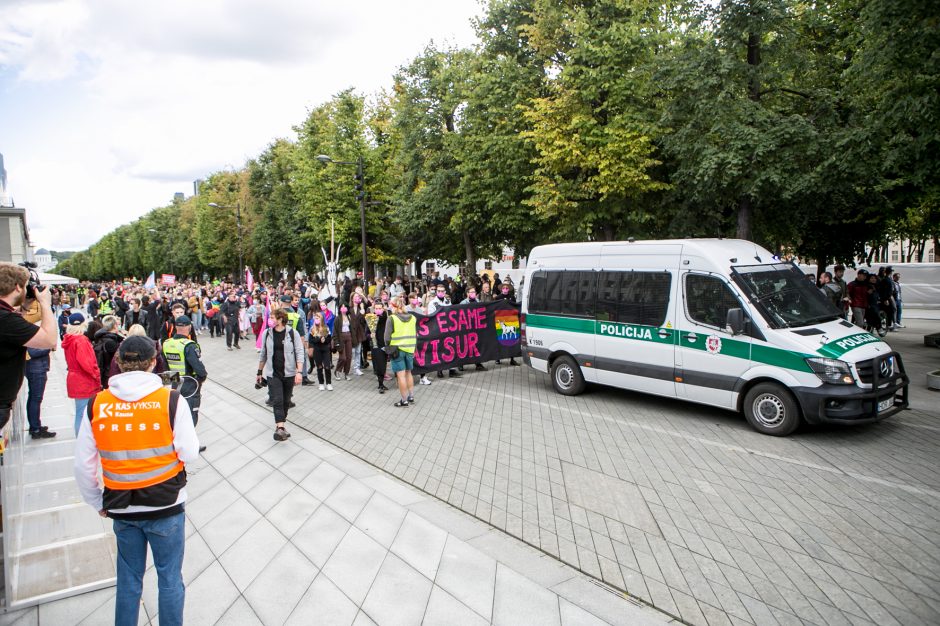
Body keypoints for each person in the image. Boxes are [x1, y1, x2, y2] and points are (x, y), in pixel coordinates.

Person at [74, 335, 199, 626]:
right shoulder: (170, 400)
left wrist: (97, 501)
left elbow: (83, 464)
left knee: (129, 579)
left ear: (118, 363)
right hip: (165, 503)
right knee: (169, 578)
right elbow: (189, 453)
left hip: (121, 504)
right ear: (154, 362)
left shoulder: (98, 404)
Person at [0, 263, 59, 429]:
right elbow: (49, 340)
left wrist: (24, 307)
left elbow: (17, 326)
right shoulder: (4, 319)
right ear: (18, 287)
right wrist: (45, 304)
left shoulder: (6, 317)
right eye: (26, 286)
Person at [257, 308, 305, 441]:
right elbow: (263, 354)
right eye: (270, 318)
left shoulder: (292, 333)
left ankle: (281, 425)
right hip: (273, 374)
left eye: (272, 318)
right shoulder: (267, 333)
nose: (270, 320)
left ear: (280, 319)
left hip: (289, 374)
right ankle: (280, 428)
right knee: (277, 400)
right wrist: (259, 372)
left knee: (286, 401)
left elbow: (300, 353)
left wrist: (299, 372)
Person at [162, 316, 207, 451]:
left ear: (176, 327)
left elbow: (165, 367)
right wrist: (201, 379)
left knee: (175, 413)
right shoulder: (189, 345)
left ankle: (175, 442)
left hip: (173, 382)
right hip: (189, 384)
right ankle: (189, 445)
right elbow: (200, 370)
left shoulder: (167, 343)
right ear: (189, 327)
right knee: (190, 415)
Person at [62, 312, 102, 435]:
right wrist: (96, 375)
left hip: (74, 378)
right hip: (84, 380)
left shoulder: (69, 339)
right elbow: (87, 363)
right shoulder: (81, 340)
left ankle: (80, 437)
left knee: (80, 412)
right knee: (84, 413)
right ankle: (82, 439)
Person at [385, 297, 417, 407]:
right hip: (410, 349)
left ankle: (404, 400)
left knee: (401, 376)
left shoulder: (392, 318)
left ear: (393, 306)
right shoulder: (412, 317)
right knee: (409, 373)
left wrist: (387, 348)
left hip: (397, 350)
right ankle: (411, 396)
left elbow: (387, 338)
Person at [427, 285, 461, 379]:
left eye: (442, 291)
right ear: (436, 292)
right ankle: (440, 370)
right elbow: (431, 316)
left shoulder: (447, 301)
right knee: (440, 349)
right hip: (438, 329)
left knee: (450, 348)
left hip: (448, 328)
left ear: (445, 292)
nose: (441, 293)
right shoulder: (432, 303)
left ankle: (451, 370)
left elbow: (450, 313)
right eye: (439, 291)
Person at [94, 315, 125, 388]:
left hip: (106, 374)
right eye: (118, 324)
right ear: (115, 326)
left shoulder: (103, 337)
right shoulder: (111, 342)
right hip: (111, 375)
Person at [494, 282, 520, 366]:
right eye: (504, 288)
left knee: (512, 339)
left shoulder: (512, 297)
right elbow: (495, 308)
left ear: (509, 289)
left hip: (511, 320)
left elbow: (515, 306)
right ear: (501, 289)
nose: (505, 289)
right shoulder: (498, 297)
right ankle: (497, 358)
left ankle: (512, 359)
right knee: (500, 339)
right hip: (501, 320)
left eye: (507, 288)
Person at [308, 309, 334, 391]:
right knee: (319, 367)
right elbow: (311, 341)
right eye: (315, 318)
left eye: (318, 318)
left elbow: (329, 338)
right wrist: (319, 340)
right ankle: (321, 383)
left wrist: (325, 340)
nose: (317, 320)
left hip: (325, 349)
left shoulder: (326, 328)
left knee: (327, 367)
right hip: (317, 350)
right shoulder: (312, 329)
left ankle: (329, 383)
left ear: (322, 319)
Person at [368, 301, 390, 393]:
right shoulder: (371, 319)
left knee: (384, 364)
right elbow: (367, 332)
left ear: (383, 308)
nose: (378, 310)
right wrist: (370, 335)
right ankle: (380, 385)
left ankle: (381, 383)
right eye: (376, 308)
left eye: (379, 308)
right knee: (379, 365)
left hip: (385, 344)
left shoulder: (387, 317)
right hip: (376, 345)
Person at [334, 304, 353, 381]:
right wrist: (336, 342)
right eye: (342, 306)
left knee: (349, 357)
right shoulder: (337, 318)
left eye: (345, 306)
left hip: (348, 336)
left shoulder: (349, 317)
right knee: (343, 357)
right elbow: (335, 331)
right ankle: (337, 370)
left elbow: (351, 328)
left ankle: (346, 373)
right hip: (341, 337)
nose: (343, 308)